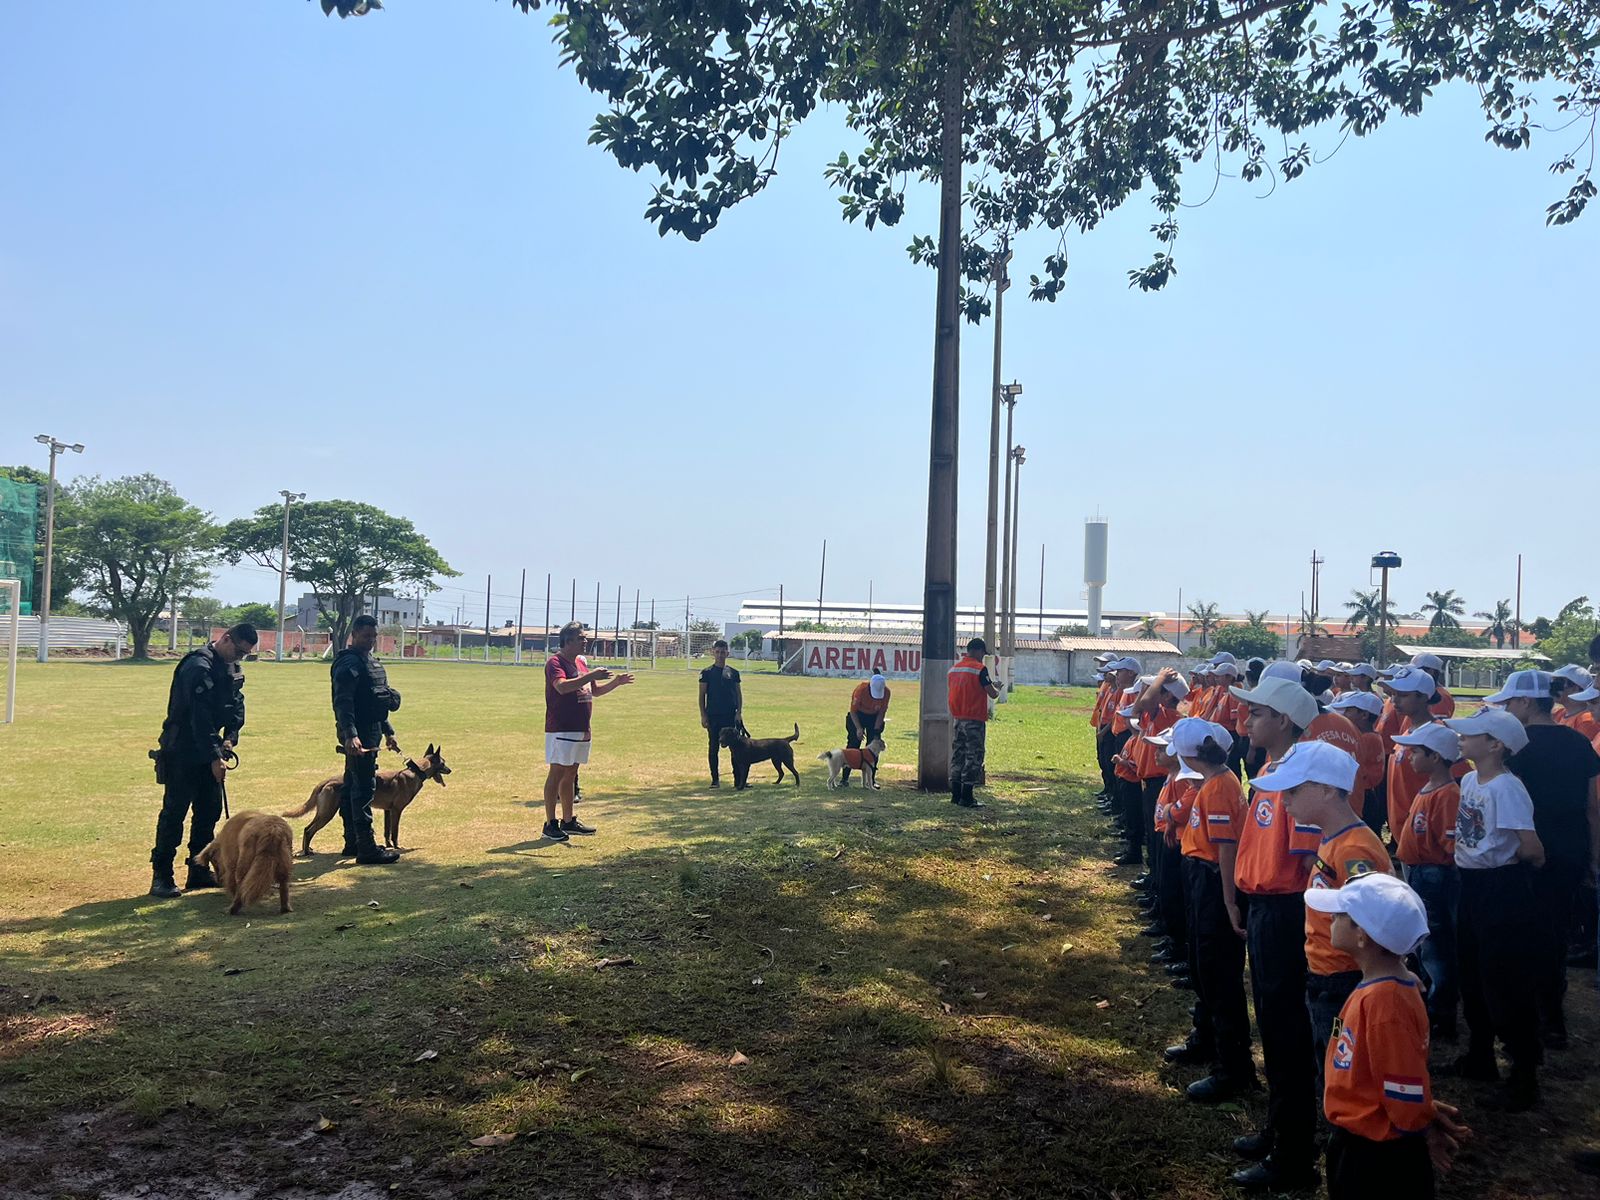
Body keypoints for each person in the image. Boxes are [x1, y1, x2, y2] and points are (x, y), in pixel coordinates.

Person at [1305, 872, 1470, 1199]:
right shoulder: (1377, 987)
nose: (1331, 920)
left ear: (1362, 936)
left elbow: (1402, 1087)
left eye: (1340, 916)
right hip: (1362, 1142)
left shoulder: (1385, 1004)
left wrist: (1419, 1122)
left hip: (1377, 1159)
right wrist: (1425, 1109)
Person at [1223, 673, 1324, 1191]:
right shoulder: (1271, 766)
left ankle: (1295, 1155)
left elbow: (1311, 858)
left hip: (1287, 914)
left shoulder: (1301, 776)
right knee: (1274, 1025)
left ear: (1284, 720)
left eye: (1257, 713)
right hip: (1265, 909)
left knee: (1287, 1034)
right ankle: (1279, 1127)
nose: (1246, 719)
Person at [1256, 740, 1394, 1097]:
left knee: (1344, 1075)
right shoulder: (1333, 839)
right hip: (1325, 972)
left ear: (1328, 790)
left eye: (1293, 789)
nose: (1284, 799)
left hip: (1343, 978)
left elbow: (1375, 920)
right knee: (1328, 1067)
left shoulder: (1353, 849)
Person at [1439, 706, 1545, 1110]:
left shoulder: (1507, 787)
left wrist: (1517, 870)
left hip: (1502, 886)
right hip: (1472, 883)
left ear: (1496, 745)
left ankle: (1524, 1073)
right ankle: (1480, 1055)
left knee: (1504, 978)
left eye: (1471, 735)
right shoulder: (1468, 779)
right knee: (1473, 973)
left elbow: (1531, 847)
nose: (1461, 739)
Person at [1493, 669, 1600, 1049]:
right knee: (1554, 936)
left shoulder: (1514, 748)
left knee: (1519, 936)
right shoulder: (1578, 743)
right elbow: (1591, 808)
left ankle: (1522, 1021)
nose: (1506, 708)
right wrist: (1593, 857)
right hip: (1569, 852)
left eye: (1509, 701)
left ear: (1525, 702)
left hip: (1522, 853)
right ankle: (1552, 1020)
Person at [1163, 718, 1257, 1103]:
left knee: (1218, 975)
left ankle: (1233, 1067)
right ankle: (1206, 1039)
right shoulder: (1214, 781)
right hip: (1200, 875)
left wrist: (1229, 902)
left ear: (1188, 754)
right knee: (1203, 967)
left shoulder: (1219, 786)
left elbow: (1226, 848)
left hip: (1213, 881)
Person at [148, 623, 256, 898]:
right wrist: (213, 756)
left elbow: (237, 705)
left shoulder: (230, 668)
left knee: (209, 812)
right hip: (183, 749)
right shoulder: (198, 666)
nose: (239, 658)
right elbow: (199, 717)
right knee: (175, 814)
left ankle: (198, 869)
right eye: (239, 651)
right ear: (226, 638)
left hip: (211, 747)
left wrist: (230, 738)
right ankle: (161, 875)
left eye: (245, 655)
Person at [1391, 722, 1464, 1040]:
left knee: (1436, 946)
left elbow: (1452, 848)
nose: (1408, 757)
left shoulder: (1447, 794)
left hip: (1433, 875)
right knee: (1424, 942)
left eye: (1416, 752)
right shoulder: (1431, 787)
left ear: (1435, 757)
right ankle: (1431, 1000)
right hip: (1420, 872)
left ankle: (1441, 1012)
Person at [544, 622, 634, 842]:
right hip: (562, 727)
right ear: (568, 640)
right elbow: (562, 687)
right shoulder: (555, 662)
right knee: (556, 774)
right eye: (581, 637)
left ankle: (568, 820)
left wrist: (616, 683)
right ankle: (550, 824)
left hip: (581, 728)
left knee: (571, 775)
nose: (586, 641)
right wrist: (590, 675)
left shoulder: (581, 663)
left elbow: (595, 692)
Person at [330, 615, 405, 865]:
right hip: (357, 734)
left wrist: (388, 731)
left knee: (352, 785)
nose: (370, 641)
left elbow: (377, 702)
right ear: (354, 635)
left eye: (374, 636)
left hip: (371, 731)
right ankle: (366, 847)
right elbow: (343, 702)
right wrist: (351, 734)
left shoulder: (369, 662)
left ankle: (353, 841)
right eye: (366, 636)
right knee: (363, 789)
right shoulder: (348, 663)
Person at [1380, 667, 1442, 847]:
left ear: (1423, 697)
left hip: (1425, 838)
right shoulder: (1408, 733)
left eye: (1403, 695)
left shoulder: (1438, 735)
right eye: (1393, 694)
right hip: (1405, 835)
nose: (1395, 700)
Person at [948, 637, 1001, 809]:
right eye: (982, 654)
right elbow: (992, 693)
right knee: (974, 756)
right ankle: (967, 796)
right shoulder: (980, 669)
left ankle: (955, 794)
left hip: (958, 718)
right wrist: (998, 687)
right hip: (974, 720)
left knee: (958, 754)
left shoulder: (954, 669)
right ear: (978, 651)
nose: (982, 657)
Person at [1330, 691, 1387, 836]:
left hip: (1364, 796)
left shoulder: (1365, 739)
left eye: (1349, 710)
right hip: (1367, 793)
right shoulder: (1371, 737)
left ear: (1364, 715)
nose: (1345, 714)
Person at [698, 639, 743, 787]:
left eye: (723, 652)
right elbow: (702, 695)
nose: (720, 655)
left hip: (730, 715)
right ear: (713, 653)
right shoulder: (706, 673)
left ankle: (739, 779)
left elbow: (738, 694)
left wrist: (739, 713)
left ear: (727, 653)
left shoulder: (733, 673)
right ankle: (715, 780)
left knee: (736, 748)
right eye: (717, 652)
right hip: (713, 716)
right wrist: (703, 715)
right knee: (713, 748)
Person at [844, 669, 891, 787]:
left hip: (874, 718)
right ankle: (844, 779)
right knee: (853, 744)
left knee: (874, 748)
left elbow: (881, 713)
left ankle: (871, 780)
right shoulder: (860, 690)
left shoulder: (886, 692)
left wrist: (876, 732)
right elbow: (853, 712)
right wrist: (859, 728)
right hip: (858, 716)